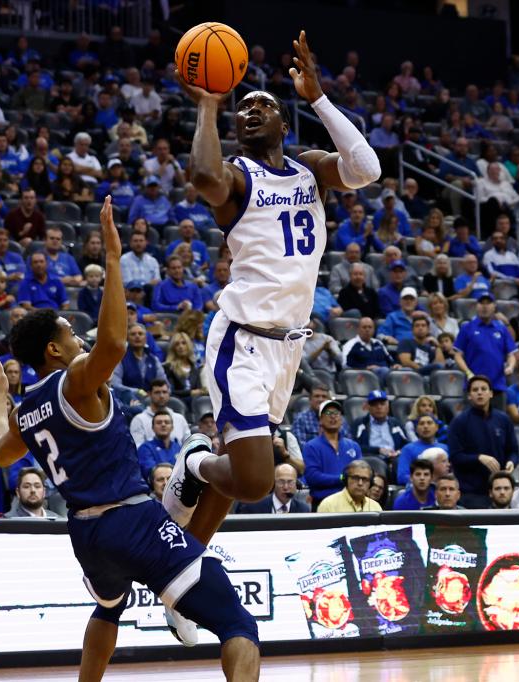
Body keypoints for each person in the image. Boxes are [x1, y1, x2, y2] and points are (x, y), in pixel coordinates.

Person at [0, 197, 260, 676]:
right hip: (129, 520)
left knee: (108, 607)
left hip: (86, 533)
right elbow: (113, 343)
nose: (80, 339)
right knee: (239, 623)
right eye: (71, 333)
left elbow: (0, 451)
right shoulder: (73, 379)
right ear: (54, 349)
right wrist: (113, 258)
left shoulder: (26, 409)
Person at [166, 30, 381, 559]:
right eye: (244, 107)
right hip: (241, 340)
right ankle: (192, 461)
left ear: (285, 123)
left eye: (263, 104)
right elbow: (202, 175)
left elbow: (368, 169)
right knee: (258, 481)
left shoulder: (310, 169)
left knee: (240, 475)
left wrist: (319, 98)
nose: (251, 110)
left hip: (287, 348)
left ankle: (182, 574)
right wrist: (209, 106)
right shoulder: (238, 177)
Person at [447, 375, 519, 508]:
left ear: (491, 393)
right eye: (475, 390)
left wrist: (511, 462)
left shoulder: (503, 419)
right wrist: (478, 458)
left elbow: (513, 450)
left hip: (500, 492)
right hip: (471, 493)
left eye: (483, 389)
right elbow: (455, 456)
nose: (479, 392)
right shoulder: (459, 422)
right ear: (469, 395)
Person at [302, 399, 362, 506]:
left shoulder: (354, 446)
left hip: (351, 501)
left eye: (336, 413)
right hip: (323, 502)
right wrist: (342, 478)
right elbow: (313, 477)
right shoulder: (311, 446)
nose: (333, 416)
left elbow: (360, 473)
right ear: (320, 420)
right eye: (328, 413)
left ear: (342, 419)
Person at [454, 294, 517, 397]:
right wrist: (468, 372)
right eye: (481, 303)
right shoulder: (467, 328)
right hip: (474, 385)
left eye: (488, 303)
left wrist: (510, 367)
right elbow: (458, 355)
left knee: (498, 413)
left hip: (497, 385)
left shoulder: (501, 329)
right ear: (476, 306)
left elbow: (511, 354)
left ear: (494, 307)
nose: (485, 306)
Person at [129, 379, 191, 447]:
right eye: (157, 392)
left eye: (164, 392)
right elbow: (138, 448)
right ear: (149, 394)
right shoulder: (139, 420)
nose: (161, 396)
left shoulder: (180, 419)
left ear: (169, 394)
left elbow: (189, 447)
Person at [234, 463, 310, 514]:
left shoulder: (303, 510)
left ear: (296, 485)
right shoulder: (254, 508)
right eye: (281, 482)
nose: (286, 487)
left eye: (290, 482)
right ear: (274, 483)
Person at [317, 459, 382, 513]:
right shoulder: (328, 505)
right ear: (345, 479)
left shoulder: (376, 507)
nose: (360, 483)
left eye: (365, 479)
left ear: (370, 483)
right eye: (355, 478)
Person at [137, 411, 181, 481]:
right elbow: (151, 473)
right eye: (159, 422)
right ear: (153, 428)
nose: (163, 425)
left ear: (172, 427)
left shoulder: (178, 447)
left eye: (167, 422)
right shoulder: (145, 448)